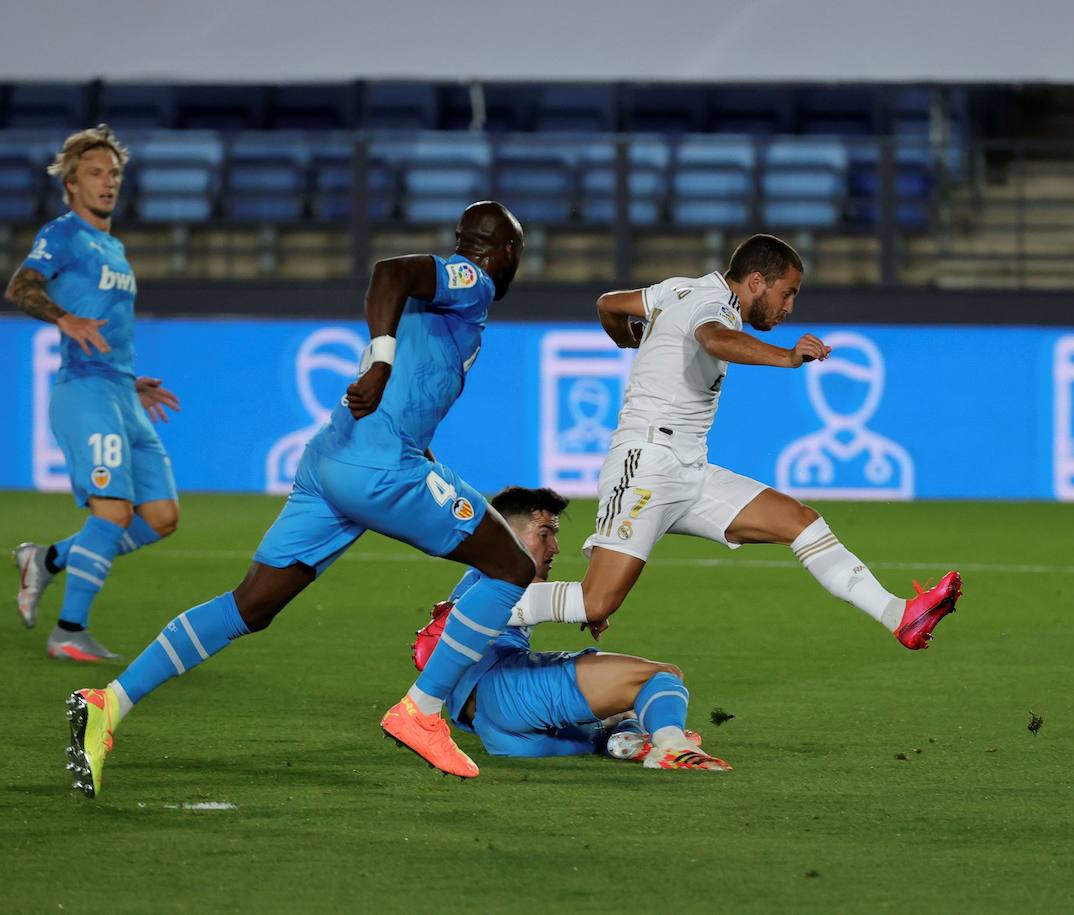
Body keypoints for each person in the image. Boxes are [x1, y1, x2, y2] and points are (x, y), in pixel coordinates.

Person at [65, 201, 530, 798]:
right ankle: (422, 708)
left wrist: (397, 394)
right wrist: (382, 363)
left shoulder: (442, 301)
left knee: (250, 605)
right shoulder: (474, 281)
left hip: (330, 460)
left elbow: (407, 335)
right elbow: (390, 270)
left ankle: (110, 703)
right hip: (379, 470)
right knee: (511, 565)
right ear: (504, 252)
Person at [505, 234, 963, 648]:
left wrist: (630, 340)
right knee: (596, 602)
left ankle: (899, 615)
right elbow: (715, 340)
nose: (788, 308)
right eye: (788, 294)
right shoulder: (716, 305)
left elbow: (609, 303)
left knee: (798, 521)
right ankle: (465, 615)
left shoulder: (677, 289)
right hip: (646, 463)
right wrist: (786, 357)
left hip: (687, 467)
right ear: (758, 281)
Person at [5, 125, 182, 661]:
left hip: (120, 391)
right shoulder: (63, 234)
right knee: (112, 511)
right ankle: (69, 631)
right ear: (72, 184)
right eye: (95, 174)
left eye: (114, 174)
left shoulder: (112, 246)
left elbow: (104, 324)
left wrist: (130, 379)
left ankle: (48, 559)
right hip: (85, 393)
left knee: (161, 517)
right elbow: (21, 286)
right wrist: (65, 318)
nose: (108, 183)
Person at [411, 486, 728, 771]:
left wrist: (583, 608)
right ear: (507, 532)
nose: (555, 547)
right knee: (662, 677)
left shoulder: (480, 574)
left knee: (616, 715)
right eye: (544, 534)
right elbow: (500, 607)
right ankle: (671, 745)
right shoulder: (498, 574)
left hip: (497, 733)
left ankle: (623, 737)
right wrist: (588, 604)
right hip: (510, 694)